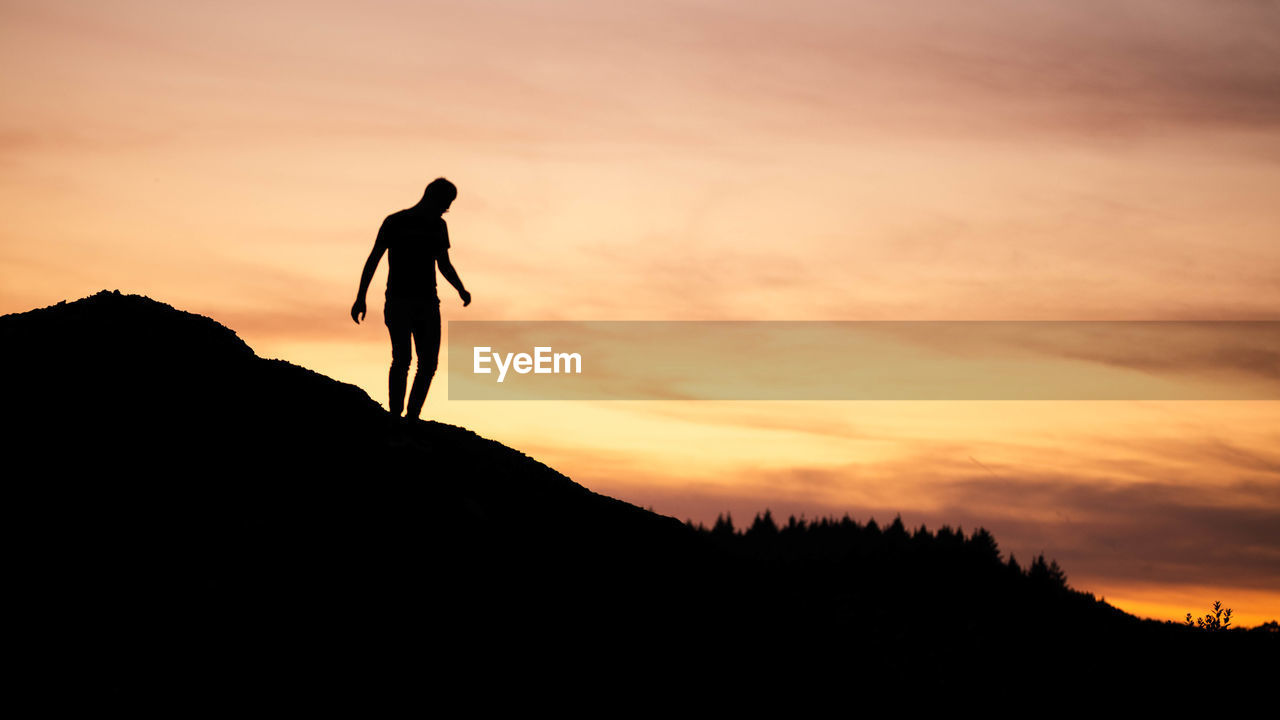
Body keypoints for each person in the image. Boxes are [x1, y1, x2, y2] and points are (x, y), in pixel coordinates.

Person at [351, 178, 471, 422]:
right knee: (404, 359)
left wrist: (460, 289)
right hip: (401, 301)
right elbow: (374, 259)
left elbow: (443, 263)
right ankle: (397, 417)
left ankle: (410, 417)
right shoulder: (396, 221)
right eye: (447, 202)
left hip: (425, 302)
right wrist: (360, 297)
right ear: (434, 197)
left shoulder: (436, 226)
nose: (447, 207)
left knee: (426, 363)